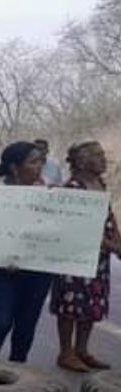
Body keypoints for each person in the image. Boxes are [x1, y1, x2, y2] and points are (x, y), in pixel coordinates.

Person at [0, 142, 54, 363]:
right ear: (14, 168)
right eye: (33, 162)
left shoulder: (50, 191)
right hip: (6, 271)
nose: (39, 166)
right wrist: (2, 255)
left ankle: (18, 371)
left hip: (39, 270)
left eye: (41, 161)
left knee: (26, 324)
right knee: (1, 322)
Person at [50, 141, 120, 372]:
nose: (103, 159)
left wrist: (116, 240)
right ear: (82, 161)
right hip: (74, 257)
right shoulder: (72, 189)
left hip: (99, 258)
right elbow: (78, 228)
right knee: (71, 305)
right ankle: (66, 352)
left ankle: (82, 350)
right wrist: (112, 246)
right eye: (98, 155)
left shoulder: (98, 184)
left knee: (92, 302)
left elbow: (109, 219)